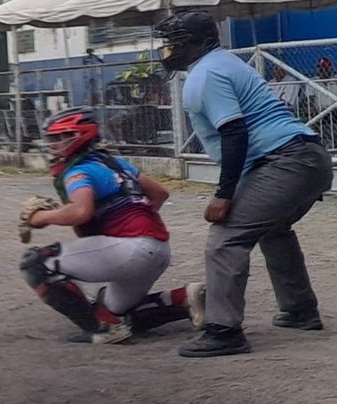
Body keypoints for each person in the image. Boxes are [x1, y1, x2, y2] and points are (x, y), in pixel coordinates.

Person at [155, 10, 332, 358]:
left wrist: (223, 194)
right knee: (273, 229)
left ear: (196, 43)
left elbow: (234, 132)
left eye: (174, 41)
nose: (168, 48)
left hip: (286, 161)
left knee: (225, 239)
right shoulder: (223, 62)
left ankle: (223, 332)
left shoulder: (204, 74)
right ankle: (299, 310)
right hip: (306, 157)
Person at [18, 107, 206, 344]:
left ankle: (104, 330)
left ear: (82, 135)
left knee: (36, 264)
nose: (54, 143)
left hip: (131, 249)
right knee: (110, 309)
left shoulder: (79, 170)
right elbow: (159, 194)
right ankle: (183, 298)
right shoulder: (113, 161)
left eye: (60, 137)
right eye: (52, 138)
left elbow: (80, 211)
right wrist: (132, 220)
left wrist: (41, 218)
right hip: (157, 249)